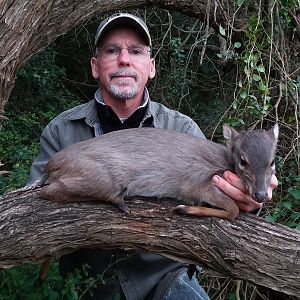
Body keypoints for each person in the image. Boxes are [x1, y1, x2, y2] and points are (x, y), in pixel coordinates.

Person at [27, 13, 277, 300]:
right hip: (90, 283)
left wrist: (249, 199)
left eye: (135, 51)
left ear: (152, 66)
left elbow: (224, 180)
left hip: (164, 279)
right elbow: (33, 200)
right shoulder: (62, 130)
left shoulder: (182, 128)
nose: (124, 59)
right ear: (95, 67)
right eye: (112, 51)